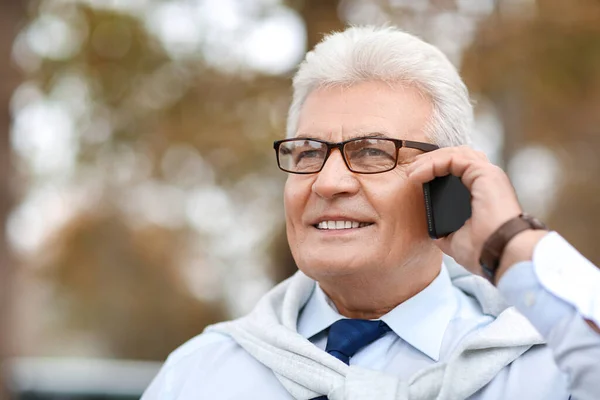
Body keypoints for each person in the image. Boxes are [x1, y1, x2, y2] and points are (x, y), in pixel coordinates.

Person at [142, 26, 600, 400]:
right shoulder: (197, 376)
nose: (328, 181)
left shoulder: (550, 369)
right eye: (307, 153)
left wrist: (513, 245)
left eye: (371, 152)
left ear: (448, 179)